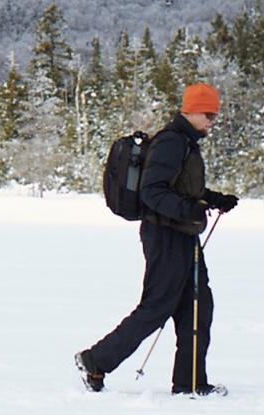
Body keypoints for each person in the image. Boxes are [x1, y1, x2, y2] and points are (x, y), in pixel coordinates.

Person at [76, 84, 239, 395]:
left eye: (216, 115)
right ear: (191, 110)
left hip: (182, 235)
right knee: (156, 307)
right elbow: (153, 192)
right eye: (209, 114)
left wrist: (213, 199)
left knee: (197, 307)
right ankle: (95, 361)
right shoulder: (171, 142)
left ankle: (190, 384)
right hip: (165, 236)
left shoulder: (186, 143)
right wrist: (188, 210)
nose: (213, 121)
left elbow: (181, 188)